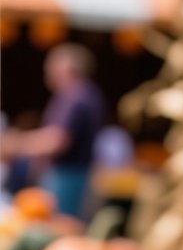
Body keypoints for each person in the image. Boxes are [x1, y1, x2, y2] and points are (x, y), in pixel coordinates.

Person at [0, 44, 106, 218]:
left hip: (67, 175)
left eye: (50, 66)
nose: (47, 72)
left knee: (59, 223)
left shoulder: (76, 96)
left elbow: (58, 140)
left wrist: (17, 145)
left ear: (66, 68)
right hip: (74, 173)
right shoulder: (86, 94)